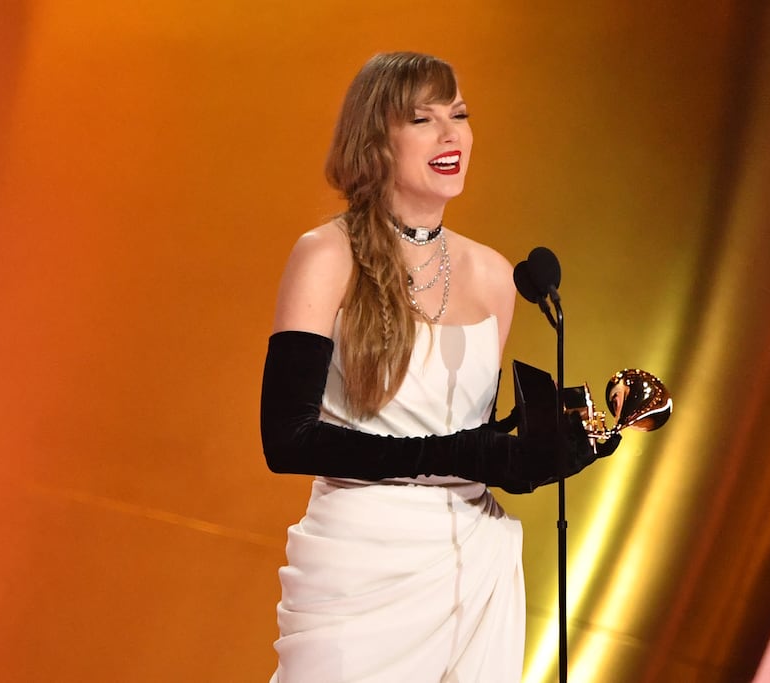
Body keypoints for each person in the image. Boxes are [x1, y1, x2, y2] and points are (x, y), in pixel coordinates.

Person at [260, 52, 618, 683]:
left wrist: (540, 449)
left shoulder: (497, 276)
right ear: (376, 141)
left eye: (459, 114)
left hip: (472, 568)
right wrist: (457, 455)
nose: (452, 134)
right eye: (424, 119)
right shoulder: (325, 255)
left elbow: (474, 439)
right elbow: (286, 439)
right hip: (361, 565)